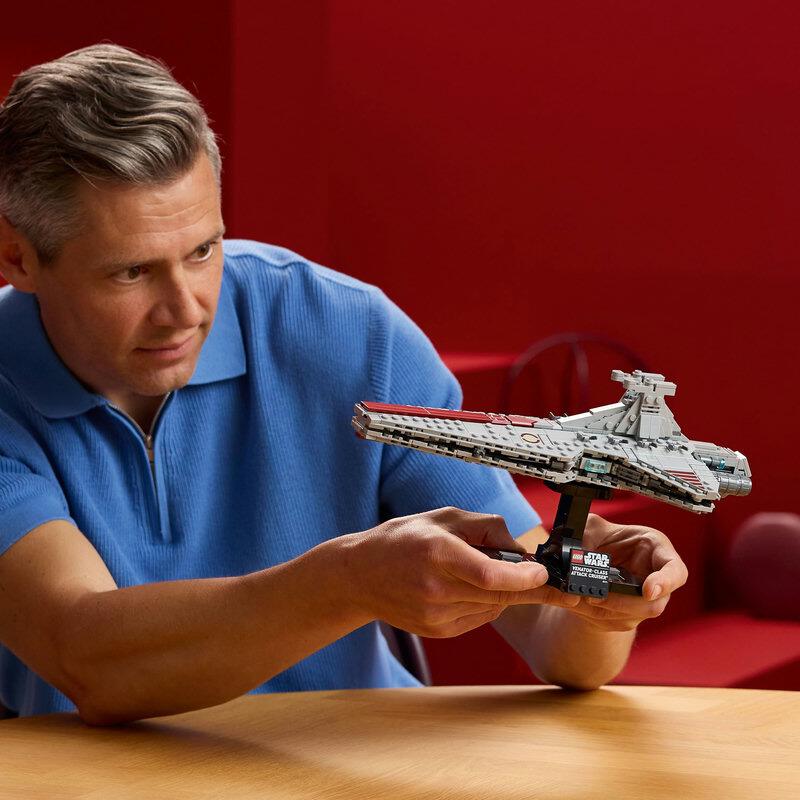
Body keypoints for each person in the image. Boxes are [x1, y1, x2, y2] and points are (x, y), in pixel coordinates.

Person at [0, 44, 687, 725]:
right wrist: (350, 580)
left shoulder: (351, 331)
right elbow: (89, 657)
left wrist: (606, 600)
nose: (185, 309)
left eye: (203, 249)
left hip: (359, 765)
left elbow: (554, 644)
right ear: (18, 258)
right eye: (131, 272)